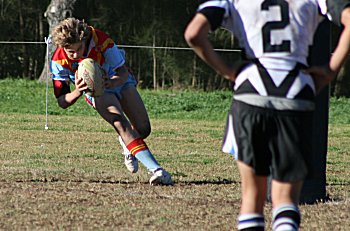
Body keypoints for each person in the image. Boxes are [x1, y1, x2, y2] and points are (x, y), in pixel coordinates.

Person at [185, 0, 350, 230]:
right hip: (296, 93)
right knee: (285, 201)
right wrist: (330, 71)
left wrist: (227, 70)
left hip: (250, 91)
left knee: (252, 197)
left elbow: (193, 34)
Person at [50, 17, 173, 185]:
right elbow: (62, 102)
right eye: (70, 51)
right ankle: (158, 171)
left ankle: (127, 143)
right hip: (97, 92)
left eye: (78, 49)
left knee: (143, 128)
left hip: (117, 80)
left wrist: (112, 82)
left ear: (84, 39)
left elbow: (122, 71)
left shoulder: (99, 39)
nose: (75, 55)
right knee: (120, 122)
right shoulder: (58, 61)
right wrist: (79, 90)